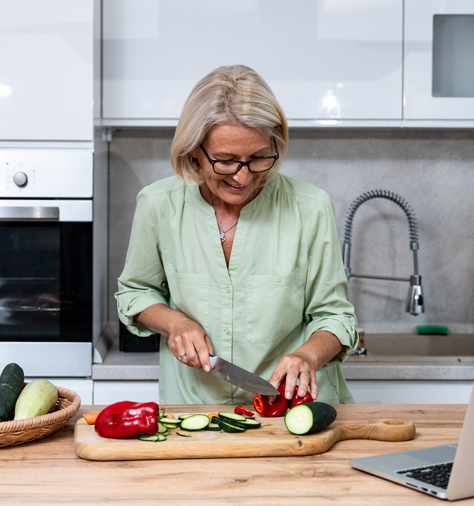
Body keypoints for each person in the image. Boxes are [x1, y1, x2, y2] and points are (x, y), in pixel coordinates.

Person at [115, 65, 357, 405]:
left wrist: (309, 356)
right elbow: (135, 292)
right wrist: (175, 322)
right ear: (194, 152)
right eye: (226, 161)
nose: (242, 178)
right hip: (194, 410)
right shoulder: (158, 205)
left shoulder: (310, 207)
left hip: (292, 407)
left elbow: (336, 316)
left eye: (258, 158)